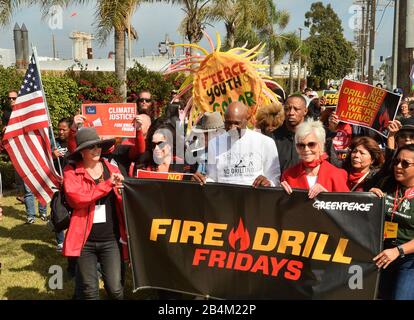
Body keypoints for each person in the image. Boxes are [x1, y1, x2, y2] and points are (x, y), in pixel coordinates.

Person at [62, 127, 127, 300]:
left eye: (98, 146)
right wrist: (107, 185)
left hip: (110, 239)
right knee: (89, 291)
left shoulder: (112, 169)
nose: (97, 149)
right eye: (91, 147)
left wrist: (122, 192)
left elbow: (123, 201)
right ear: (82, 151)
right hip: (85, 241)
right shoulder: (71, 170)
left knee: (115, 289)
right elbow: (77, 199)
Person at [192, 102, 280, 187]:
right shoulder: (214, 144)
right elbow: (213, 179)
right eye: (228, 123)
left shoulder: (266, 143)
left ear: (247, 120)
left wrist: (267, 183)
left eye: (236, 123)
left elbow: (274, 179)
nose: (232, 128)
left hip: (254, 199)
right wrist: (201, 181)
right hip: (225, 199)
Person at [370, 144, 414, 300]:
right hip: (382, 251)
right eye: (396, 161)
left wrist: (398, 251)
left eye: (405, 164)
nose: (398, 167)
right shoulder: (386, 182)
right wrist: (369, 199)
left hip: (408, 259)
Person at [280, 119, 349, 199]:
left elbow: (347, 207)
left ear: (321, 145)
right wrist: (280, 195)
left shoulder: (336, 174)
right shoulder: (288, 175)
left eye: (311, 144)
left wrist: (327, 196)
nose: (306, 149)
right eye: (301, 145)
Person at [269, 94, 308, 174]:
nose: (291, 113)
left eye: (296, 109)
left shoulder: (315, 136)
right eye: (287, 109)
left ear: (305, 111)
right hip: (279, 184)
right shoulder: (272, 138)